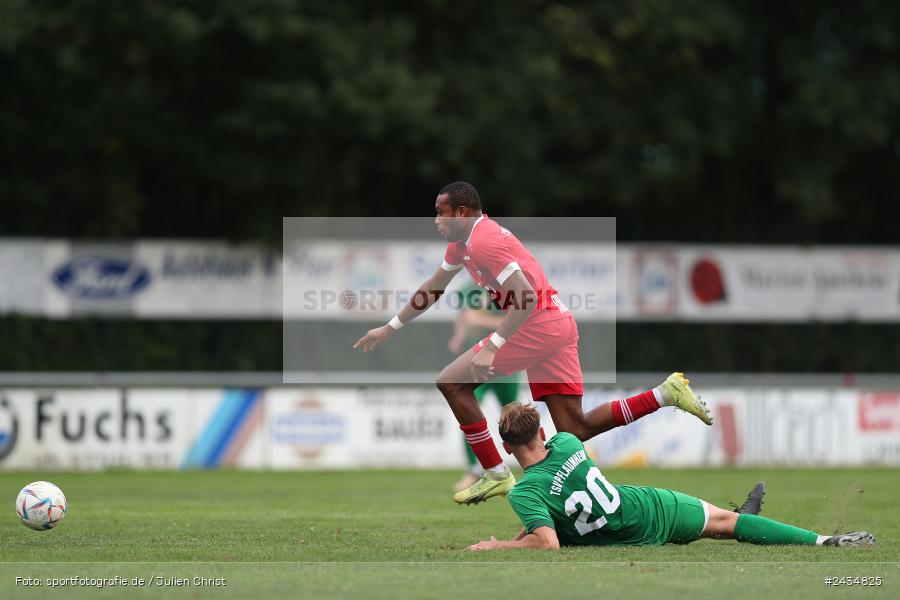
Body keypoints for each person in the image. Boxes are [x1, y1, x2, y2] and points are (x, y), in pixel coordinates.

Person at [354, 181, 712, 505]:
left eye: (440, 212)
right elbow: (434, 287)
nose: (436, 220)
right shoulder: (462, 244)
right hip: (557, 322)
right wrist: (391, 327)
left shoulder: (484, 241)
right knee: (575, 428)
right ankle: (665, 394)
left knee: (451, 382)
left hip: (538, 324)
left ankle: (495, 473)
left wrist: (492, 344)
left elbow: (524, 297)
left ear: (461, 213)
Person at [467, 404, 875, 550]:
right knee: (726, 523)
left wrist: (500, 544)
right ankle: (825, 540)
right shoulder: (567, 442)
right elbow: (553, 505)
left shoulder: (524, 493)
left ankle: (748, 518)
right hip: (649, 509)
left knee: (725, 525)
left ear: (507, 448)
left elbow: (548, 541)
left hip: (628, 534)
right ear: (541, 432)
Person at [448, 281, 521, 493]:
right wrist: (459, 336)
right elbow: (464, 317)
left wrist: (479, 320)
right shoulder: (467, 288)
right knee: (467, 409)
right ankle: (473, 471)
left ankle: (533, 466)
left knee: (516, 416)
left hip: (505, 360)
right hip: (475, 360)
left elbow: (512, 322)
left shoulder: (508, 287)